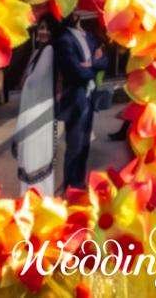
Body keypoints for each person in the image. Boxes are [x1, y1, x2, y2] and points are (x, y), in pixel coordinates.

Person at [55, 11, 107, 190]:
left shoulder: (90, 37)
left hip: (89, 97)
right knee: (75, 144)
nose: (76, 12)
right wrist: (93, 66)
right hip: (75, 98)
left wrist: (91, 64)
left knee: (85, 143)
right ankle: (70, 186)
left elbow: (105, 61)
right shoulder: (64, 40)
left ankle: (79, 183)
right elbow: (75, 72)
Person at [13, 20, 58, 194]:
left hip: (39, 109)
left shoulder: (49, 50)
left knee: (36, 152)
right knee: (31, 151)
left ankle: (38, 196)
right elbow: (27, 79)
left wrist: (26, 81)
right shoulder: (37, 52)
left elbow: (33, 80)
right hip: (33, 108)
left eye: (47, 29)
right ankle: (30, 195)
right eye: (41, 28)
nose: (43, 32)